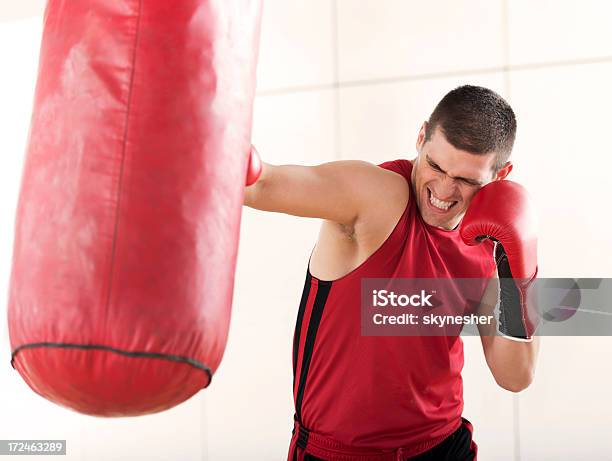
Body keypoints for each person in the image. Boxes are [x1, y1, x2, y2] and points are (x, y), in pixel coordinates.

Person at [245, 85, 540, 461]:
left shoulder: (490, 240)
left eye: (466, 180)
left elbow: (515, 376)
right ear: (421, 137)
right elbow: (262, 185)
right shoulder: (375, 195)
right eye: (435, 165)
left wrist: (521, 278)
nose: (444, 191)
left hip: (442, 445)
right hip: (341, 453)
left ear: (501, 175)